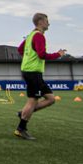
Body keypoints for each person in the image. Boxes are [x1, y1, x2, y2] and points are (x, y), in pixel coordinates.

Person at [14, 13, 66, 141]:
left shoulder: (31, 35)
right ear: (40, 22)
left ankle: (23, 113)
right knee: (33, 100)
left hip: (32, 71)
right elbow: (42, 55)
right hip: (33, 72)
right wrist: (58, 54)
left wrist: (28, 58)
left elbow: (20, 50)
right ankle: (21, 129)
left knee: (51, 98)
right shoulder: (38, 36)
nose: (49, 23)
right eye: (47, 21)